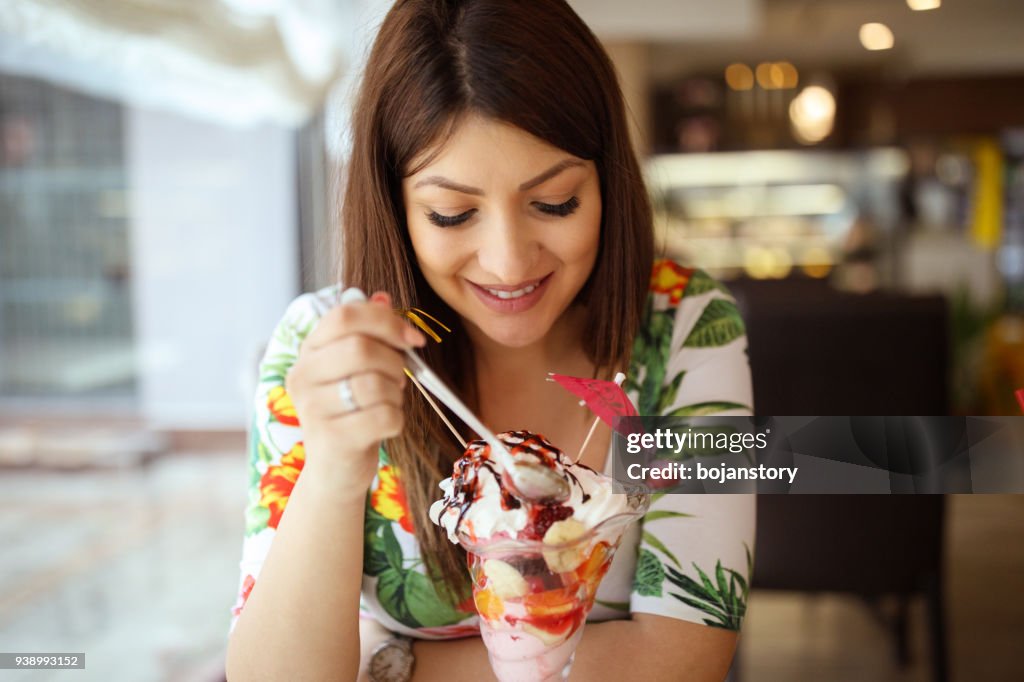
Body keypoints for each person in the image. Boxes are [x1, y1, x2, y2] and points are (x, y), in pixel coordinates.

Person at [225, 1, 754, 680]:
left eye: (555, 202)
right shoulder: (327, 349)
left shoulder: (688, 323)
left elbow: (686, 658)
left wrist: (388, 665)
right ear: (395, 206)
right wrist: (332, 468)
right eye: (453, 213)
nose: (508, 262)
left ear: (606, 181)